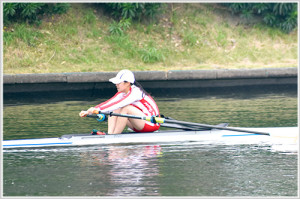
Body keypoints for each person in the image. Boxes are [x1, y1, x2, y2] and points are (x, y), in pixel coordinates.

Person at [79, 69, 160, 134]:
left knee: (125, 108)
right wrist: (90, 111)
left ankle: (115, 136)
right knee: (115, 109)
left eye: (118, 82)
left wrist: (98, 111)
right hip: (138, 123)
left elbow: (119, 104)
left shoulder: (136, 92)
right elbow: (109, 103)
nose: (116, 84)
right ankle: (110, 134)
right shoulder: (122, 93)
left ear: (127, 83)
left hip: (152, 123)